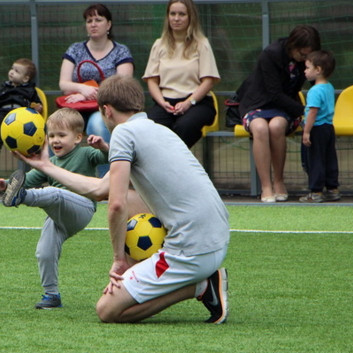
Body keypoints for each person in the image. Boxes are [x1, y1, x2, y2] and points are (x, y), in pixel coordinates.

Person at [17, 75, 230, 324]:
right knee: (129, 196)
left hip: (193, 249)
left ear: (106, 110)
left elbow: (115, 205)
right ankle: (185, 275)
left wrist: (119, 260)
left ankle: (201, 287)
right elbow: (100, 189)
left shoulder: (122, 133)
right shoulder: (156, 128)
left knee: (107, 310)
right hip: (218, 236)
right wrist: (46, 166)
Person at [0, 108, 109, 309]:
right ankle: (51, 295)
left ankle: (22, 197)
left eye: (62, 135)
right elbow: (26, 179)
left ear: (78, 137)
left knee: (55, 193)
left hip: (82, 209)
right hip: (58, 218)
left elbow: (111, 158)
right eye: (52, 135)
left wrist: (103, 146)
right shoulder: (50, 162)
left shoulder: (86, 153)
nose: (55, 140)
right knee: (44, 252)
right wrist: (6, 184)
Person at [237, 25, 321, 203]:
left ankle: (279, 181)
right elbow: (273, 93)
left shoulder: (308, 59)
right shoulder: (271, 54)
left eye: (309, 55)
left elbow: (317, 82)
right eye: (302, 54)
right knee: (260, 128)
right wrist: (304, 112)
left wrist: (315, 110)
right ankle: (266, 186)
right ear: (293, 46)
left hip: (286, 107)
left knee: (276, 126)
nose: (305, 59)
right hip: (257, 103)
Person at [142, 0, 220, 148]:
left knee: (184, 127)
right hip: (165, 103)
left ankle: (171, 166)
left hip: (196, 103)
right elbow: (151, 80)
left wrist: (188, 103)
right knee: (150, 127)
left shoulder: (202, 44)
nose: (176, 18)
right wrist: (161, 102)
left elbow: (209, 81)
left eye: (182, 14)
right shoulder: (159, 44)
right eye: (173, 14)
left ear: (190, 17)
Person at [58, 4, 134, 154]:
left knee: (98, 124)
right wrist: (82, 89)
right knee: (58, 126)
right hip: (77, 107)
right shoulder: (75, 49)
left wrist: (88, 95)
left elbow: (123, 87)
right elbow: (64, 84)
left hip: (108, 108)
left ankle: (108, 175)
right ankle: (59, 175)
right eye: (89, 20)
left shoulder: (121, 51)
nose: (93, 24)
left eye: (98, 20)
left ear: (109, 24)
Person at [299, 50, 340, 203]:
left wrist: (306, 132)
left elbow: (313, 112)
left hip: (316, 128)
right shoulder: (329, 86)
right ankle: (332, 189)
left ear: (318, 70)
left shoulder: (314, 91)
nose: (305, 71)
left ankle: (316, 191)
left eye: (307, 67)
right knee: (329, 158)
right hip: (328, 127)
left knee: (315, 159)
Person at [0, 58, 43, 155]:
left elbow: (37, 102)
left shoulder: (30, 90)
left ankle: (35, 146)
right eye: (12, 69)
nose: (12, 72)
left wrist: (38, 107)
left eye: (16, 71)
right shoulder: (4, 89)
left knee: (28, 126)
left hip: (20, 114)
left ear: (25, 78)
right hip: (2, 112)